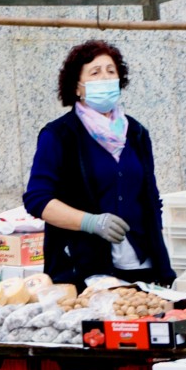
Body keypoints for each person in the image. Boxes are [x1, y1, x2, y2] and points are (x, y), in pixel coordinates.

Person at [22, 40, 174, 289]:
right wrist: (91, 222)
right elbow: (38, 199)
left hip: (143, 267)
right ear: (77, 87)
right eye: (95, 72)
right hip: (85, 270)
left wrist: (161, 261)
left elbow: (150, 198)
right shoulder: (59, 135)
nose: (105, 77)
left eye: (110, 71)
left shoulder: (135, 133)